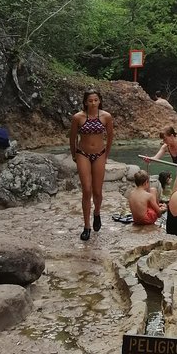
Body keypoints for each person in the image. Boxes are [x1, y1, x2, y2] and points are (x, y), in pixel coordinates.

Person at [69, 88, 114, 241]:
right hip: (83, 154)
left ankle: (97, 213)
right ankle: (86, 226)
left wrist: (106, 154)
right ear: (85, 102)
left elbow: (110, 137)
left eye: (96, 100)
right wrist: (74, 154)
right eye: (90, 100)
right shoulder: (78, 117)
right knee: (86, 190)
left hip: (100, 153)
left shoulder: (106, 116)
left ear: (99, 101)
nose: (93, 103)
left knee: (97, 191)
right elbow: (73, 137)